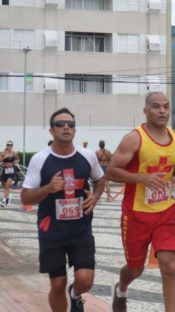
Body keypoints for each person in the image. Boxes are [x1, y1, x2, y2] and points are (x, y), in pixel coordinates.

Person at [105, 92, 175, 312]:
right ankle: (121, 288)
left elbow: (171, 164)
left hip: (166, 211)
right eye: (156, 107)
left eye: (166, 107)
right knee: (135, 269)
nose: (162, 111)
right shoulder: (135, 138)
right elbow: (111, 171)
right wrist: (142, 178)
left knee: (170, 268)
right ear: (146, 111)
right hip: (136, 214)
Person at [20, 108, 105, 312]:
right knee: (57, 284)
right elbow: (25, 196)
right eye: (60, 124)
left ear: (75, 131)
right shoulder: (40, 159)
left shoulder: (88, 156)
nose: (66, 127)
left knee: (85, 280)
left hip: (81, 228)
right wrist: (48, 188)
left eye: (70, 124)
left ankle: (75, 294)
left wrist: (95, 196)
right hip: (52, 230)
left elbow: (100, 179)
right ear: (51, 131)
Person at [0, 140, 19, 207]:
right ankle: (8, 197)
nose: (9, 146)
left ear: (12, 146)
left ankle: (4, 200)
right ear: (6, 145)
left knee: (7, 186)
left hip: (11, 170)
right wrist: (4, 158)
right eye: (8, 145)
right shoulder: (2, 153)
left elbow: (18, 159)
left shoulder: (14, 153)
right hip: (5, 170)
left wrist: (15, 161)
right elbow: (0, 160)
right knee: (5, 186)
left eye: (10, 145)